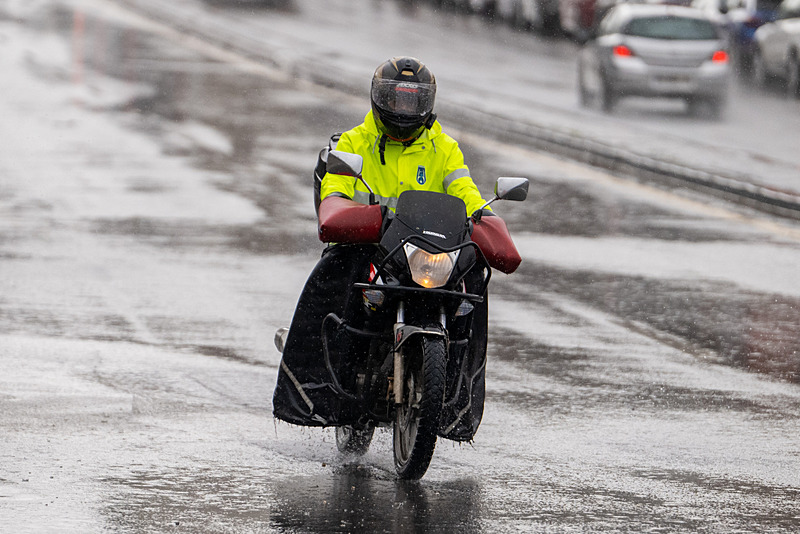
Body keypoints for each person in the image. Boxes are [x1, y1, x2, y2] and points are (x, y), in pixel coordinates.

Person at [319, 56, 490, 217]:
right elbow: (335, 189)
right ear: (383, 99)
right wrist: (357, 214)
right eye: (397, 101)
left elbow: (466, 192)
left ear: (424, 103)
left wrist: (488, 219)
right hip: (360, 243)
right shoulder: (352, 142)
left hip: (427, 247)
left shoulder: (446, 149)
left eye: (410, 102)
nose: (403, 109)